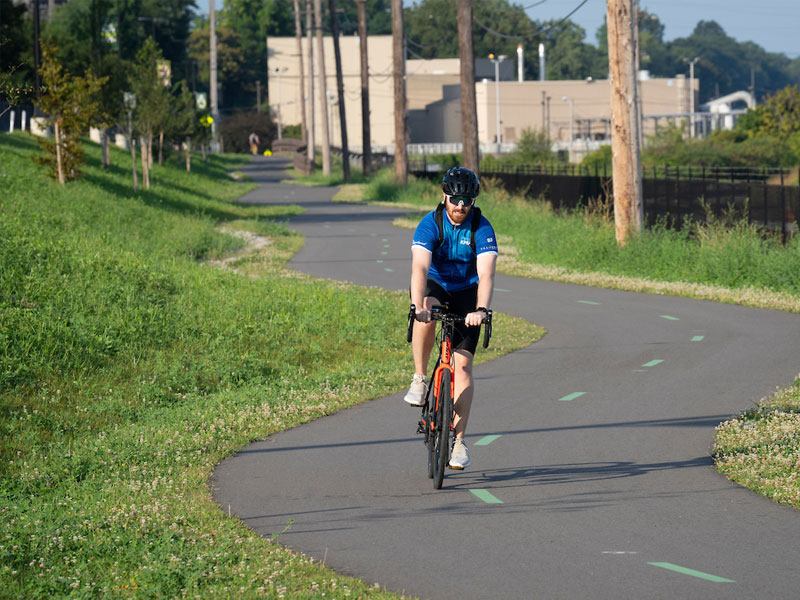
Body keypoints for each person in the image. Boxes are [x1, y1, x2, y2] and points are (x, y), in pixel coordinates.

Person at [405, 166, 498, 470]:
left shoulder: (481, 228)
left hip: (467, 291)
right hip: (436, 284)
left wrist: (481, 309)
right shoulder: (430, 224)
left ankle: (459, 442)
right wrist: (417, 305)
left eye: (467, 201)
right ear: (445, 196)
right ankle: (420, 378)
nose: (461, 206)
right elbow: (419, 268)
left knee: (464, 365)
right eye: (456, 200)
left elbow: (486, 274)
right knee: (427, 313)